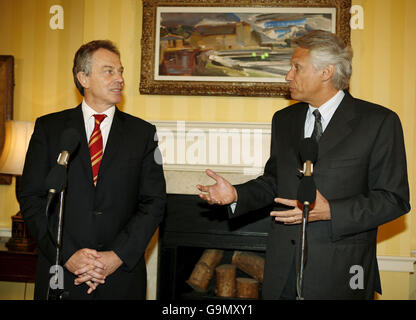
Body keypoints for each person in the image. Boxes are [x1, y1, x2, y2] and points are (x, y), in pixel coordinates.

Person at [197, 30, 410, 299]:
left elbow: (394, 199)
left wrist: (331, 211)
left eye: (296, 67)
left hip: (343, 274)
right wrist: (237, 194)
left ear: (326, 72)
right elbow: (274, 181)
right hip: (281, 273)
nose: (288, 76)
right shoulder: (284, 120)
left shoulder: (378, 122)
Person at [20, 40, 166, 300]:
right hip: (62, 273)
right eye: (109, 71)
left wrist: (116, 256)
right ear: (83, 77)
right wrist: (66, 255)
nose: (119, 79)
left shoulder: (143, 134)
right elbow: (32, 199)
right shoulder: (50, 129)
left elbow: (154, 203)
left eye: (120, 71)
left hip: (121, 276)